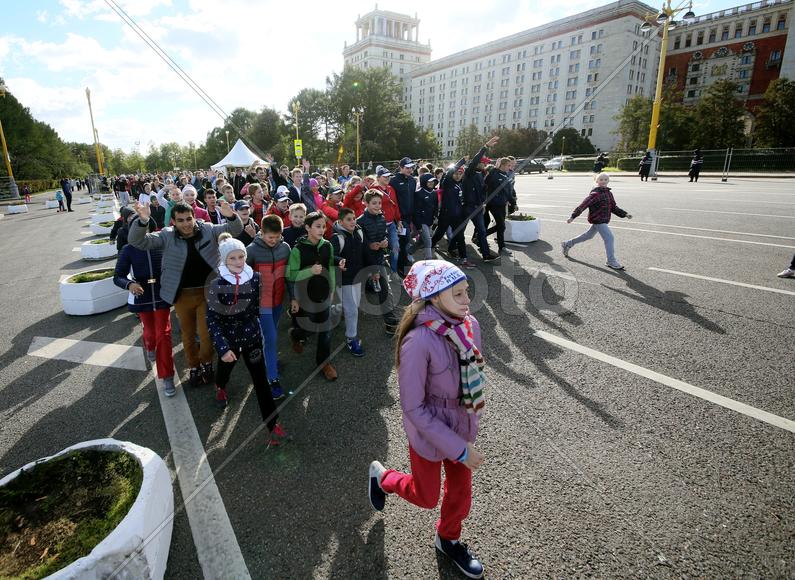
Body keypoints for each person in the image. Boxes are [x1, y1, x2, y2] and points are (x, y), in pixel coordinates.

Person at [368, 259, 486, 580]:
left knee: (461, 494)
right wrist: (460, 449)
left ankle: (448, 538)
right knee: (426, 496)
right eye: (458, 294)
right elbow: (413, 408)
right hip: (428, 432)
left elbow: (472, 376)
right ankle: (384, 478)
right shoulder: (417, 341)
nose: (467, 301)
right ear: (434, 297)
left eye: (467, 292)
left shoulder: (470, 325)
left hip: (460, 425)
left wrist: (468, 427)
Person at [129, 199, 242, 387]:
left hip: (208, 292)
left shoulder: (208, 229)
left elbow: (235, 230)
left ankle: (206, 362)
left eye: (188, 219)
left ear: (195, 217)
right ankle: (194, 366)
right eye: (180, 220)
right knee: (188, 335)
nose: (186, 224)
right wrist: (142, 221)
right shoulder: (166, 236)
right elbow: (137, 241)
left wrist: (231, 215)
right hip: (182, 295)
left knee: (206, 336)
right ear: (173, 221)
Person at [206, 234, 290, 446]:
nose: (237, 262)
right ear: (224, 260)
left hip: (252, 338)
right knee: (225, 369)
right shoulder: (216, 284)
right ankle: (220, 386)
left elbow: (259, 308)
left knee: (261, 383)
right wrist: (223, 348)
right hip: (229, 340)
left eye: (241, 257)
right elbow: (212, 320)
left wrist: (264, 329)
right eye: (232, 258)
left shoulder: (255, 278)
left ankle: (273, 426)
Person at [114, 238, 175, 396]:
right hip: (142, 296)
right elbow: (118, 276)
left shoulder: (161, 243)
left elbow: (175, 266)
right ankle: (149, 346)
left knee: (164, 334)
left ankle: (167, 376)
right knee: (149, 332)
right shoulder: (128, 249)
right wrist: (129, 284)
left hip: (162, 296)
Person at [286, 211, 338, 381]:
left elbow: (330, 266)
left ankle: (324, 363)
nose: (322, 229)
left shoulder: (327, 245)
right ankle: (296, 335)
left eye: (323, 226)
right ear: (307, 227)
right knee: (306, 329)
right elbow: (291, 275)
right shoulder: (297, 249)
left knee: (325, 329)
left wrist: (331, 290)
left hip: (323, 294)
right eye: (317, 226)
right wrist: (309, 271)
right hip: (304, 297)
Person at [246, 214, 292, 399]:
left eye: (277, 237)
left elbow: (288, 276)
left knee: (268, 337)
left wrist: (294, 298)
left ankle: (267, 362)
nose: (273, 241)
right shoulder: (251, 251)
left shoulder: (286, 248)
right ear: (261, 232)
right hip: (261, 304)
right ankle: (272, 379)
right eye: (269, 237)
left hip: (278, 301)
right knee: (271, 337)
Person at [561, 172, 633, 270]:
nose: (603, 181)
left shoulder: (609, 193)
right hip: (598, 220)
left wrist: (624, 214)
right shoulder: (595, 194)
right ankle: (611, 261)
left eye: (605, 179)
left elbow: (613, 207)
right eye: (601, 179)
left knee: (588, 235)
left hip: (603, 219)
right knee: (609, 238)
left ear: (608, 181)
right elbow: (583, 205)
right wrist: (573, 216)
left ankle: (567, 243)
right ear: (596, 181)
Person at [357, 190, 400, 334]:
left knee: (385, 289)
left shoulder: (382, 217)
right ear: (366, 203)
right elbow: (358, 243)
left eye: (379, 203)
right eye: (374, 203)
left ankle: (390, 320)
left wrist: (385, 241)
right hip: (362, 262)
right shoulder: (360, 221)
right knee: (357, 292)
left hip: (378, 259)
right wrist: (369, 245)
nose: (377, 206)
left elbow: (385, 233)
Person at [331, 207, 366, 356]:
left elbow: (364, 252)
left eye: (354, 218)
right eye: (348, 219)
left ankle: (332, 313)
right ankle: (351, 339)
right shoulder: (336, 237)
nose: (353, 221)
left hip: (357, 276)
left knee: (352, 306)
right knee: (352, 310)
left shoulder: (358, 232)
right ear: (340, 221)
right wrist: (339, 261)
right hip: (343, 279)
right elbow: (330, 256)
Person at [432, 161, 475, 269]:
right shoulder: (447, 182)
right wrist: (462, 161)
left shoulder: (460, 184)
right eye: (455, 173)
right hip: (445, 215)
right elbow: (448, 173)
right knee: (439, 234)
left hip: (457, 216)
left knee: (460, 237)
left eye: (460, 174)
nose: (458, 176)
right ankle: (430, 247)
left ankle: (464, 259)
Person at [462, 138, 500, 262]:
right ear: (479, 163)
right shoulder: (469, 172)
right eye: (483, 163)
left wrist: (483, 204)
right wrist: (485, 146)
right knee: (459, 231)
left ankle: (486, 255)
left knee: (482, 231)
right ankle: (453, 249)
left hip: (477, 207)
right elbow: (475, 161)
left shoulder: (481, 174)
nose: (485, 165)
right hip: (466, 207)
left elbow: (483, 191)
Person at [390, 157, 419, 274]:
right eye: (407, 168)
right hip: (399, 219)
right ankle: (401, 266)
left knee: (406, 241)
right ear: (401, 168)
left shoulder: (412, 180)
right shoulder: (394, 181)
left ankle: (404, 263)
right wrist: (397, 219)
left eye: (411, 167)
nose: (409, 170)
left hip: (409, 217)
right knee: (404, 241)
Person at [372, 167, 402, 273]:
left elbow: (395, 205)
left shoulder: (391, 188)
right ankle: (378, 275)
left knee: (395, 247)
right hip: (378, 225)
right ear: (378, 178)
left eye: (388, 176)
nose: (387, 178)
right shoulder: (373, 189)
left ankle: (393, 271)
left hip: (391, 224)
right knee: (378, 250)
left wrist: (399, 220)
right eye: (385, 176)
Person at [484, 157, 516, 256]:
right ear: (502, 165)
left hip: (501, 204)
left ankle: (481, 236)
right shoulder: (495, 173)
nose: (510, 167)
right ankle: (501, 247)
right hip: (493, 204)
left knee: (501, 226)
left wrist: (513, 203)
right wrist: (495, 168)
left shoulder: (507, 176)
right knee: (501, 226)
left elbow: (509, 192)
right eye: (508, 165)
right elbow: (487, 181)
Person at [413, 174, 439, 260]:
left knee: (421, 241)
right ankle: (429, 260)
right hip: (421, 222)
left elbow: (436, 206)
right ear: (424, 182)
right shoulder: (418, 194)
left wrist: (436, 217)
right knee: (428, 241)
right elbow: (416, 211)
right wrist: (418, 226)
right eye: (429, 181)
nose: (431, 183)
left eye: (433, 181)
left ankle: (408, 252)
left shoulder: (434, 193)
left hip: (430, 221)